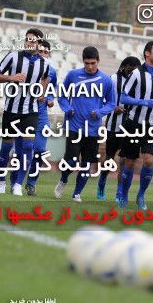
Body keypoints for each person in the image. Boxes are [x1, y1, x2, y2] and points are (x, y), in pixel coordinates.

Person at [54, 46, 116, 202]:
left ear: (98, 61)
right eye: (87, 63)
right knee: (71, 161)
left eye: (93, 63)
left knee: (87, 164)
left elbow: (111, 103)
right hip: (74, 126)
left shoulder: (106, 80)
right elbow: (62, 95)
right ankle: (63, 180)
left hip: (93, 129)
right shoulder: (73, 75)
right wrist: (68, 109)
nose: (89, 66)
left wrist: (100, 112)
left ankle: (76, 194)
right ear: (83, 61)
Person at [0, 28, 49, 196]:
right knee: (6, 147)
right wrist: (11, 78)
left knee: (28, 146)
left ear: (38, 44)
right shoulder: (12, 56)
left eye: (33, 41)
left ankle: (18, 184)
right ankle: (1, 181)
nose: (29, 43)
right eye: (27, 40)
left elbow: (45, 78)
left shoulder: (44, 63)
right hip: (11, 110)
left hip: (30, 111)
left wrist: (42, 92)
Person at [116, 41, 153, 210]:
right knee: (130, 163)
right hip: (133, 123)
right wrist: (143, 102)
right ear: (147, 53)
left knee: (148, 161)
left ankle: (141, 195)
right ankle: (124, 194)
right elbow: (123, 98)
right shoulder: (137, 74)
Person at [96, 56, 141, 200]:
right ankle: (102, 180)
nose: (133, 72)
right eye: (131, 69)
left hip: (130, 125)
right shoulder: (113, 79)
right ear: (125, 66)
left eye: (135, 70)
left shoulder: (139, 82)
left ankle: (119, 192)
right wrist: (112, 108)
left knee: (123, 159)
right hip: (113, 125)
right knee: (110, 158)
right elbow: (102, 98)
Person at [23, 40, 57, 196]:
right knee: (23, 149)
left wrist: (49, 99)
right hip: (25, 112)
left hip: (42, 115)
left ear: (48, 54)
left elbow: (52, 89)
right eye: (40, 52)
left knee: (40, 150)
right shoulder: (28, 67)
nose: (43, 55)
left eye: (45, 52)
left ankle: (31, 183)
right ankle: (16, 180)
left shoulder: (52, 71)